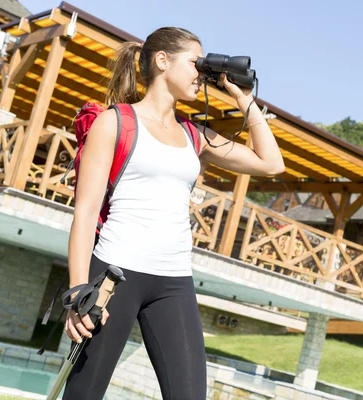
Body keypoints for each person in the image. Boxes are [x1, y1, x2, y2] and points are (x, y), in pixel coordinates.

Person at [63, 27, 285, 399]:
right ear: (162, 61)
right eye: (194, 63)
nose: (201, 73)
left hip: (174, 280)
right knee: (85, 393)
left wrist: (244, 99)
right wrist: (76, 291)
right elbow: (84, 212)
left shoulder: (194, 134)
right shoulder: (115, 121)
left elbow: (271, 163)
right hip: (114, 274)